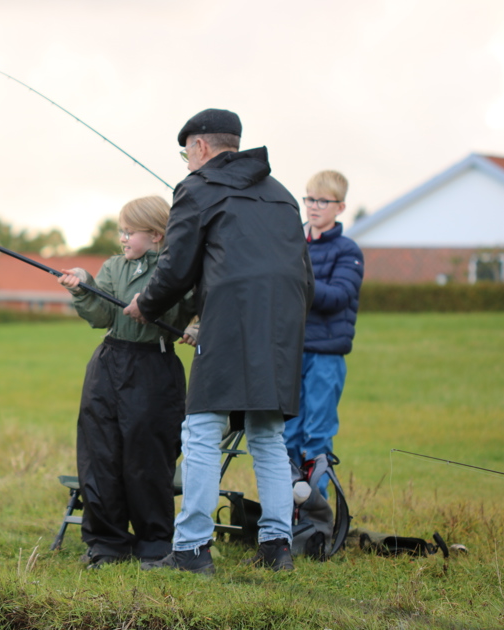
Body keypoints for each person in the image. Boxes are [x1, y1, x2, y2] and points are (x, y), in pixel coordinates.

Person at [123, 108, 314, 574]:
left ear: (201, 147)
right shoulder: (282, 195)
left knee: (203, 430)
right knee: (267, 432)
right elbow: (301, 272)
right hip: (283, 326)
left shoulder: (196, 188)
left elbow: (176, 264)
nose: (186, 162)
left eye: (186, 152)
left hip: (230, 322)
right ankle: (277, 546)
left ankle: (190, 549)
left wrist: (145, 304)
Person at [57, 196, 196, 569]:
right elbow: (101, 316)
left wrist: (197, 325)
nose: (122, 239)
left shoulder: (177, 270)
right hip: (107, 365)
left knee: (147, 458)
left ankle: (153, 542)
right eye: (120, 231)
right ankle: (107, 543)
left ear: (155, 235)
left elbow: (199, 306)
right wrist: (82, 288)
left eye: (128, 232)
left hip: (155, 369)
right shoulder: (114, 267)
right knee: (100, 454)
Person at [284, 171, 364, 496]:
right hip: (290, 352)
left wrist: (298, 278)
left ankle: (319, 514)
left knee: (316, 437)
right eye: (309, 199)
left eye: (322, 201)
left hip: (325, 356)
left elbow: (338, 297)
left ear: (340, 207)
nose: (313, 206)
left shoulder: (348, 251)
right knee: (287, 434)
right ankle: (286, 512)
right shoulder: (290, 244)